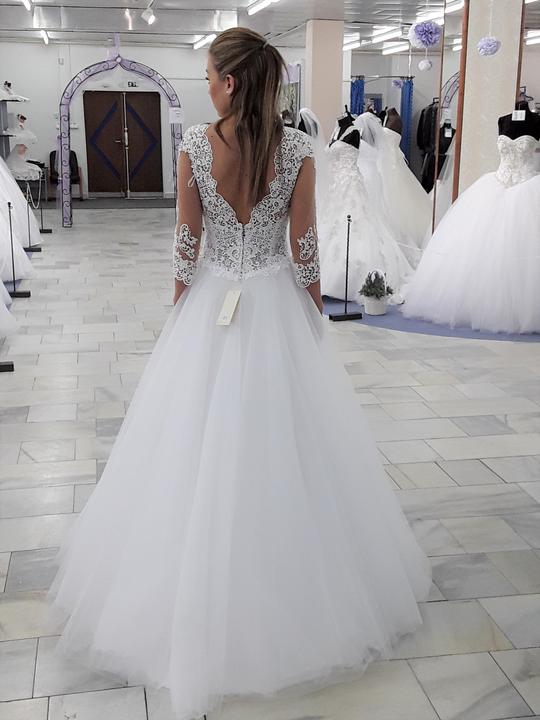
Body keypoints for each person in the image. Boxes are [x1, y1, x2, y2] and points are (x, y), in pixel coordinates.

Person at [47, 27, 431, 720]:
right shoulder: (299, 151)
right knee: (288, 448)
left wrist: (179, 314)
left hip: (212, 306)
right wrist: (313, 316)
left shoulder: (196, 146)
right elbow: (304, 249)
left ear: (229, 83)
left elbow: (186, 245)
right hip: (277, 303)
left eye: (208, 76)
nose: (205, 86)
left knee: (190, 450)